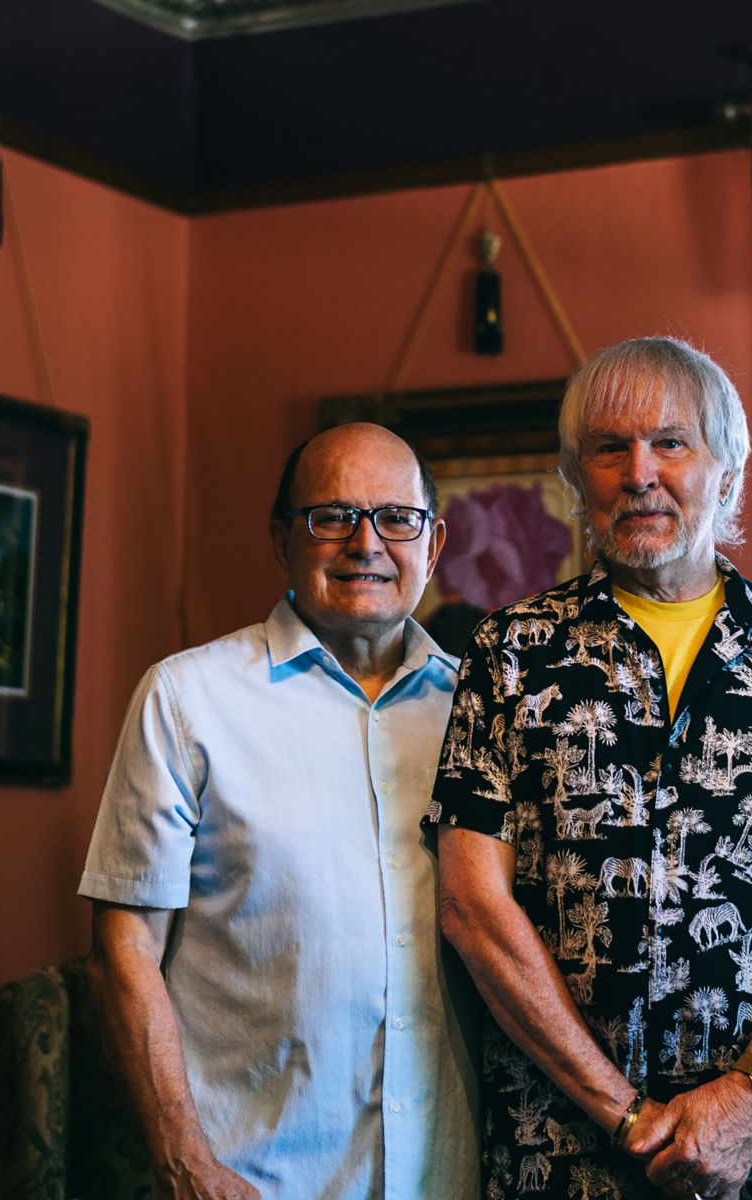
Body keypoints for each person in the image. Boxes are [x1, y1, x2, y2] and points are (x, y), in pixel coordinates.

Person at [426, 337, 752, 1200]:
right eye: (609, 448)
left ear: (727, 469)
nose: (638, 472)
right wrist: (623, 1114)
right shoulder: (508, 656)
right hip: (562, 1154)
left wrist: (746, 1100)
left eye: (671, 443)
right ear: (576, 478)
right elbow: (472, 908)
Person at [79, 423, 480, 1200]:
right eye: (332, 516)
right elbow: (122, 952)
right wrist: (185, 1163)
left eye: (397, 518)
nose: (366, 542)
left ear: (433, 545)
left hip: (452, 1175)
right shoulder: (187, 700)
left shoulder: (483, 712)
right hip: (255, 1180)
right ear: (282, 540)